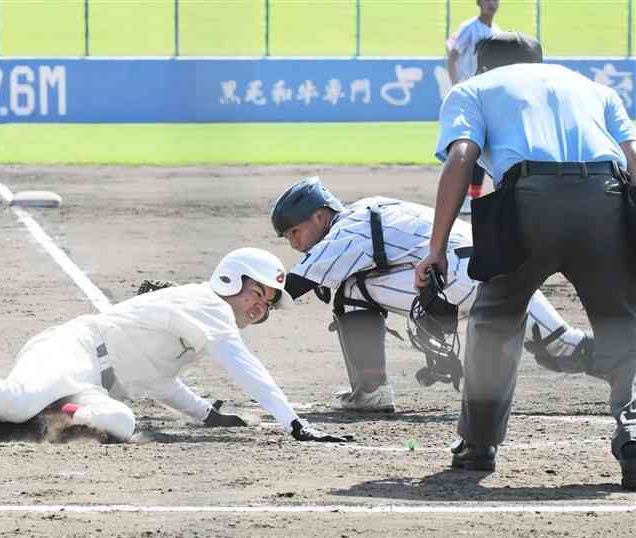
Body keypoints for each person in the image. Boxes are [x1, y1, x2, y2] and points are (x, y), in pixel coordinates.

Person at [416, 32, 636, 491]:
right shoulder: (595, 89)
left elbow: (462, 157)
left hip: (528, 204)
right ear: (541, 60)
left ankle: (478, 446)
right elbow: (632, 159)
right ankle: (634, 432)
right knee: (625, 323)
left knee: (495, 317)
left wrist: (436, 248)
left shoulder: (475, 89)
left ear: (483, 65)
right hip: (606, 198)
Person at [0, 248, 348, 444]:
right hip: (74, 348)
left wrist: (204, 415)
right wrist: (294, 422)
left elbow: (158, 381)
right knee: (14, 400)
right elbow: (245, 367)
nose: (261, 307)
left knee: (121, 423)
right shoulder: (210, 308)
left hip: (90, 382)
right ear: (230, 279)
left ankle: (42, 407)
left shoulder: (206, 324)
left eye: (268, 302)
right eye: (258, 293)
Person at [270, 177, 592, 413]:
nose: (295, 244)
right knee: (561, 346)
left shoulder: (347, 230)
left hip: (462, 279)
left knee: (353, 289)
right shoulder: (371, 208)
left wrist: (247, 304)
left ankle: (371, 391)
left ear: (320, 215)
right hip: (497, 266)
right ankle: (625, 363)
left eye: (295, 232)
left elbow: (296, 285)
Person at [446, 0, 500, 215]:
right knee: (470, 143)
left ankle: (477, 195)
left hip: (488, 96)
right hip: (469, 94)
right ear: (478, 3)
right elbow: (452, 57)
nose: (491, 3)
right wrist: (456, 88)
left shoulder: (496, 32)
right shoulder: (469, 28)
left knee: (487, 144)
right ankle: (469, 196)